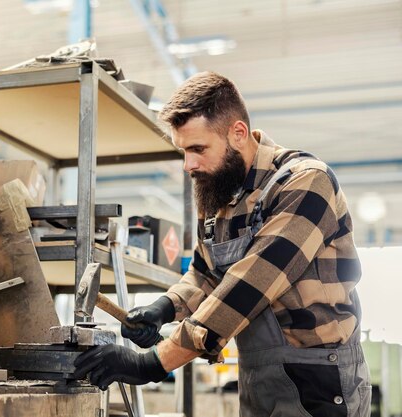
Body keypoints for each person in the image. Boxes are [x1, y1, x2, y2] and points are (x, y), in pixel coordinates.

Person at [73, 72, 371, 417]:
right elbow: (205, 273)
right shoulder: (219, 193)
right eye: (183, 151)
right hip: (258, 373)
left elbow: (249, 287)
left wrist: (152, 363)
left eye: (198, 149)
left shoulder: (306, 183)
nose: (189, 165)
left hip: (320, 378)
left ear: (238, 133)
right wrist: (164, 308)